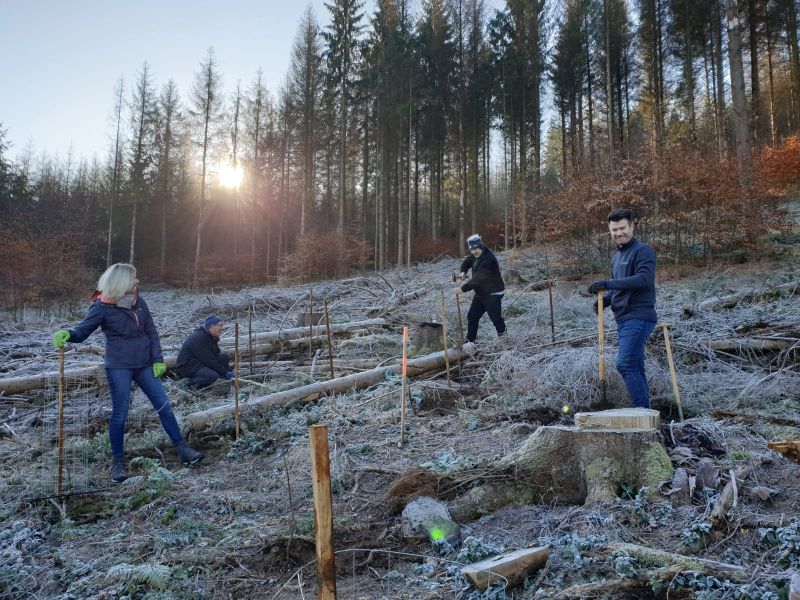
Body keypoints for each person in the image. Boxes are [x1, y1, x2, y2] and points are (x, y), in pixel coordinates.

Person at [52, 263, 204, 483]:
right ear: (121, 282)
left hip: (144, 365)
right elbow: (83, 331)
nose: (137, 282)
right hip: (119, 366)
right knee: (120, 414)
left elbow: (151, 332)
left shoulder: (138, 302)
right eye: (134, 279)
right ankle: (118, 461)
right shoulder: (101, 307)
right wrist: (68, 333)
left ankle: (182, 448)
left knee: (164, 406)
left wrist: (158, 360)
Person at [588, 208, 657, 409]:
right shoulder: (616, 257)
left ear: (632, 226)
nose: (619, 233)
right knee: (635, 366)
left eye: (622, 228)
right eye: (614, 229)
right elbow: (620, 288)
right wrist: (605, 301)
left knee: (625, 363)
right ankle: (646, 411)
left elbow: (643, 280)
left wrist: (608, 283)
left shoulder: (643, 251)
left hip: (639, 316)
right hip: (624, 319)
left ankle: (641, 412)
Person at [454, 234, 507, 346]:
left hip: (493, 292)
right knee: (472, 316)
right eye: (472, 249)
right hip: (482, 292)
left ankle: (505, 342)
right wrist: (463, 271)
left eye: (476, 248)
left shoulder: (488, 260)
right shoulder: (476, 255)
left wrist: (462, 289)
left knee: (496, 319)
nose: (474, 252)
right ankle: (470, 343)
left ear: (481, 246)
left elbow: (477, 280)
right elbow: (466, 262)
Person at [175, 315, 234, 388]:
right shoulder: (199, 337)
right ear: (211, 326)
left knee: (224, 357)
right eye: (220, 325)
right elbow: (209, 360)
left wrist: (228, 370)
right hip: (188, 366)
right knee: (212, 376)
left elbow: (216, 355)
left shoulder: (211, 337)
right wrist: (225, 372)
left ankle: (222, 376)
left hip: (199, 361)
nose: (222, 328)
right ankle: (188, 382)